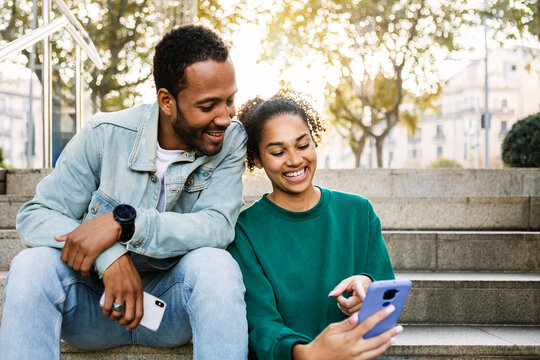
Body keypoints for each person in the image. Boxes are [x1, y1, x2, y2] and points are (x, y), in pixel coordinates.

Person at [0, 24, 248, 359]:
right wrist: (110, 256)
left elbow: (217, 225)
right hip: (95, 306)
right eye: (208, 106)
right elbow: (36, 215)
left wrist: (127, 225)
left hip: (170, 310)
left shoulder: (231, 140)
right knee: (31, 265)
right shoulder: (105, 135)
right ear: (167, 101)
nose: (225, 117)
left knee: (217, 264)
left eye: (230, 100)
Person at [228, 90, 401, 360]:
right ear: (258, 158)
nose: (295, 160)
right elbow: (261, 325)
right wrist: (308, 353)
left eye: (302, 145)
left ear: (314, 141)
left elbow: (386, 293)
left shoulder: (359, 212)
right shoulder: (245, 231)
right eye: (277, 151)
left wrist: (367, 286)